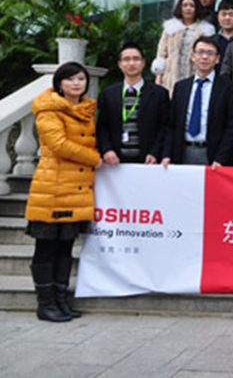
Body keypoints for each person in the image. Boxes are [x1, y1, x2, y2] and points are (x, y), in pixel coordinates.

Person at [25, 62, 102, 321]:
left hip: (76, 189)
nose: (76, 83)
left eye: (80, 79)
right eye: (70, 79)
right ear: (60, 83)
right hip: (52, 188)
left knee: (65, 248)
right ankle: (45, 304)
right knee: (46, 247)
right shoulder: (48, 109)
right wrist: (93, 158)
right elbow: (59, 145)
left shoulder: (86, 109)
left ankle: (60, 300)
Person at [162, 36, 233, 167]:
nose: (204, 57)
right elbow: (171, 125)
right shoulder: (181, 87)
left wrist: (221, 158)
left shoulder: (228, 88)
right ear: (193, 56)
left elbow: (232, 126)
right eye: (200, 52)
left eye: (210, 53)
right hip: (182, 151)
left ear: (217, 59)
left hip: (213, 155)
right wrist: (167, 154)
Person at [97, 42, 170, 166]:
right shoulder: (109, 93)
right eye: (126, 59)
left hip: (148, 160)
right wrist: (107, 149)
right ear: (119, 64)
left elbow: (164, 127)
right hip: (115, 161)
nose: (131, 63)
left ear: (143, 63)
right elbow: (102, 126)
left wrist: (155, 152)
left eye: (136, 59)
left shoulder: (159, 93)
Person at [152, 0, 216, 95]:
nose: (188, 8)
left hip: (195, 73)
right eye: (185, 5)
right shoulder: (170, 28)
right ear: (180, 8)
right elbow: (161, 53)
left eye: (192, 5)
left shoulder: (205, 30)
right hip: (171, 75)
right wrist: (159, 76)